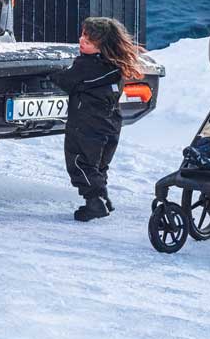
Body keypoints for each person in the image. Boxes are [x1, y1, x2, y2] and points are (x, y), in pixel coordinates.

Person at [50, 16, 146, 221]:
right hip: (110, 123)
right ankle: (103, 198)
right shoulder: (116, 66)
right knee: (99, 164)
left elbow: (67, 81)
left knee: (80, 162)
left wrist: (53, 73)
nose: (81, 41)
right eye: (83, 35)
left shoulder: (87, 65)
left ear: (102, 47)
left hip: (87, 123)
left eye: (89, 41)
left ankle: (95, 203)